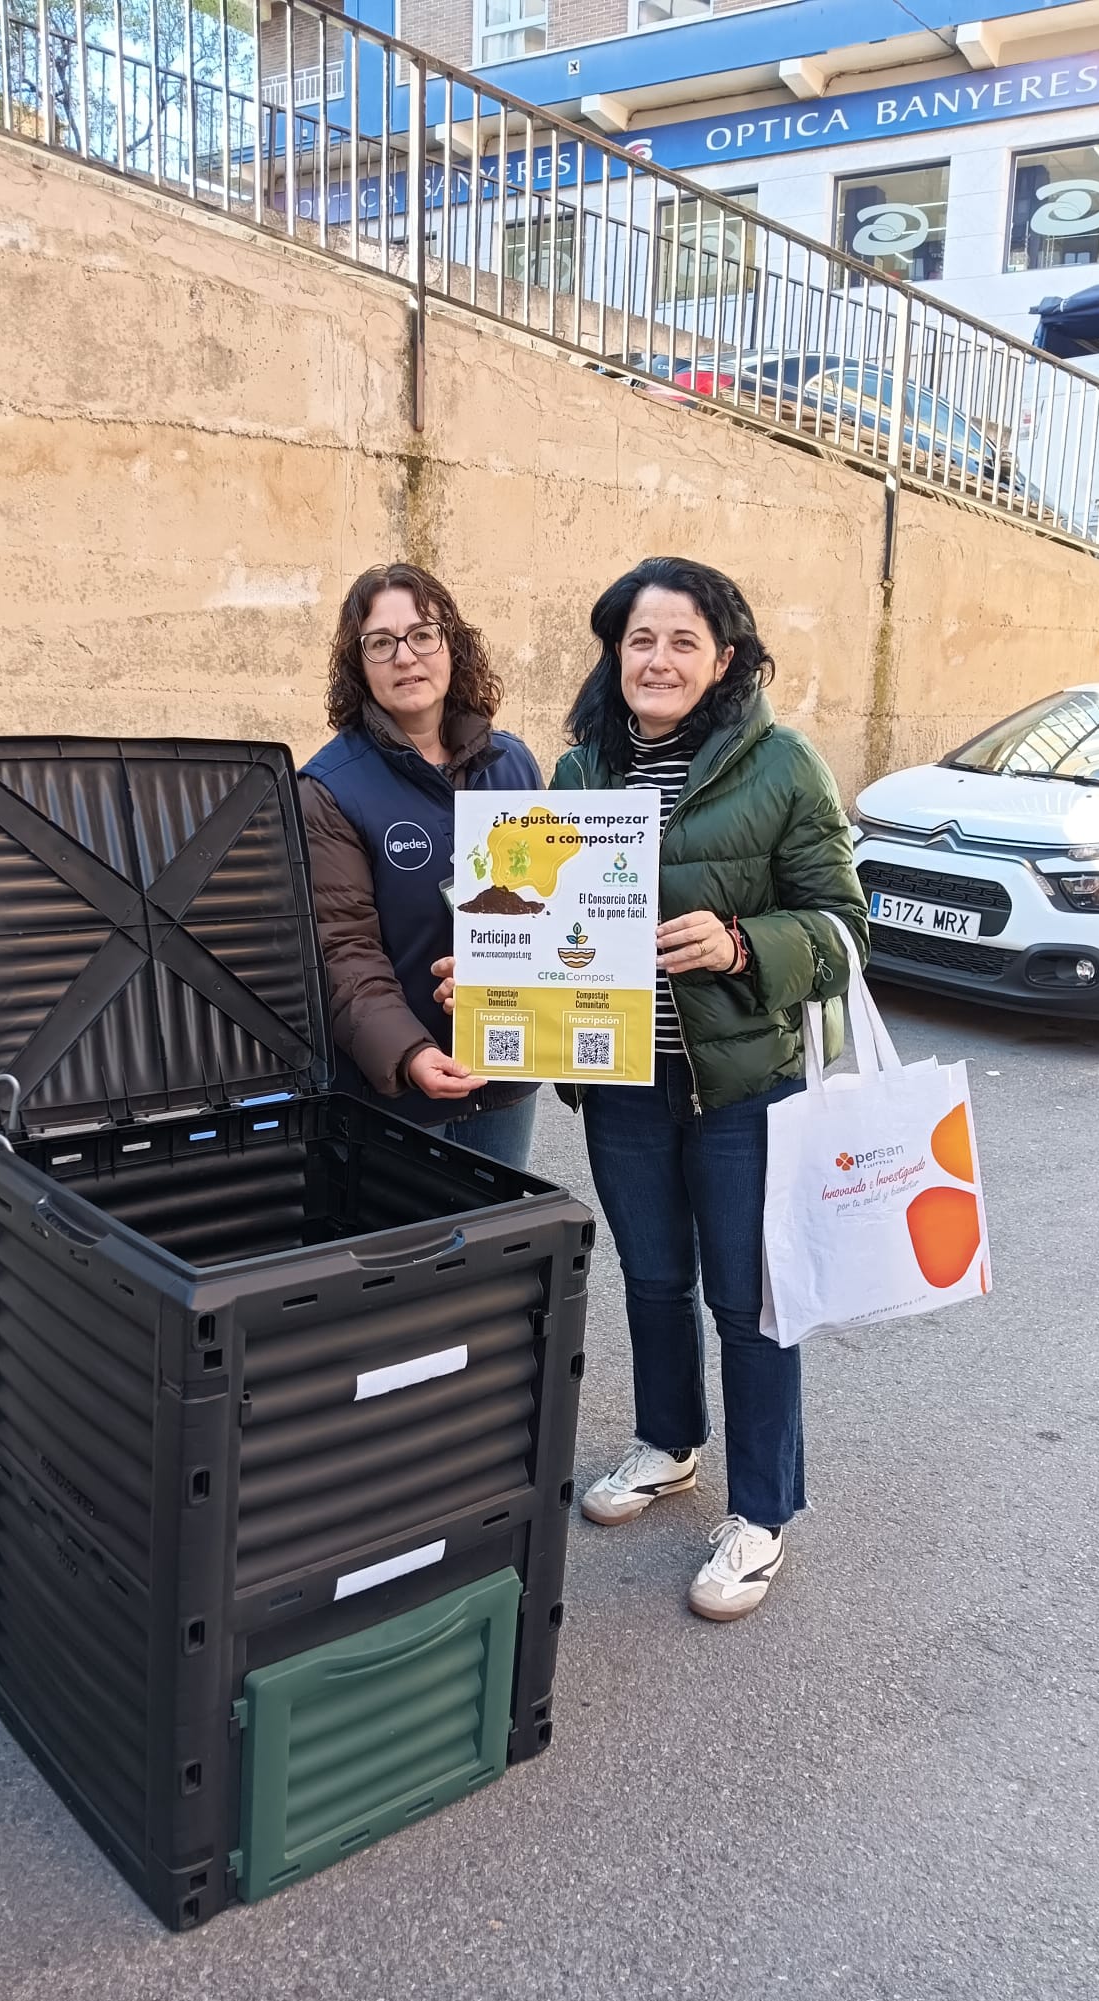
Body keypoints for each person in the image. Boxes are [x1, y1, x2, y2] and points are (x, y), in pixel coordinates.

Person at [438, 556, 868, 1620]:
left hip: (740, 1090)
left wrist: (738, 943)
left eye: (683, 640)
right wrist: (489, 969)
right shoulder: (582, 774)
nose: (659, 659)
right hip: (623, 1084)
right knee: (653, 1278)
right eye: (640, 640)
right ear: (615, 656)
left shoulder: (785, 768)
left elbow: (845, 936)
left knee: (751, 1301)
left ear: (724, 658)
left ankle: (762, 1514)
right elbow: (535, 914)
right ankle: (670, 1443)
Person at [299, 563, 541, 1168]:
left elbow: (549, 911)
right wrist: (407, 1053)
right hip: (397, 1091)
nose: (405, 657)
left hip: (503, 1078)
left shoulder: (512, 765)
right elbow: (341, 947)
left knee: (503, 1250)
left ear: (451, 644)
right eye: (380, 643)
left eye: (423, 634)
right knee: (412, 1254)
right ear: (359, 665)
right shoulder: (329, 789)